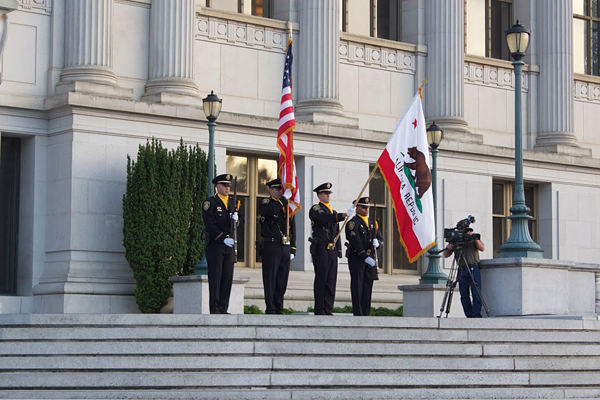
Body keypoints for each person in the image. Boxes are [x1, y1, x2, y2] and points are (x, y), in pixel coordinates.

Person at [309, 182, 355, 315]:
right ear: (319, 195)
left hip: (331, 249)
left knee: (331, 280)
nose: (328, 195)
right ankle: (319, 309)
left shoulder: (333, 212)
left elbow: (337, 233)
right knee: (321, 278)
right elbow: (325, 218)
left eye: (329, 193)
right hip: (321, 248)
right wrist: (343, 215)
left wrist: (339, 251)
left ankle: (328, 308)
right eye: (325, 193)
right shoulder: (316, 209)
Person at [202, 174, 244, 314]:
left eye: (228, 185)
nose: (227, 188)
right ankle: (215, 308)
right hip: (216, 245)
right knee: (216, 277)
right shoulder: (211, 203)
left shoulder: (233, 203)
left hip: (230, 245)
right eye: (224, 185)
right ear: (217, 186)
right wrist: (221, 238)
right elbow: (210, 224)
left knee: (227, 277)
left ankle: (223, 307)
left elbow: (241, 221)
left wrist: (237, 220)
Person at [258, 178, 296, 314]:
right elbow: (268, 211)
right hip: (271, 245)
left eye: (282, 189)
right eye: (278, 189)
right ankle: (271, 307)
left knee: (282, 279)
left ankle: (279, 306)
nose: (281, 191)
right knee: (270, 278)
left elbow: (292, 227)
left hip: (284, 246)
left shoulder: (287, 206)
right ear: (271, 190)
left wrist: (293, 248)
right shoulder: (266, 202)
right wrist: (283, 200)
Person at [345, 197, 383, 316]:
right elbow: (355, 240)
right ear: (357, 208)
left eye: (367, 207)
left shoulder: (372, 223)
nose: (366, 209)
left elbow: (380, 238)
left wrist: (378, 244)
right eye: (363, 207)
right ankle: (358, 313)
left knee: (367, 287)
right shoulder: (353, 223)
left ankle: (366, 313)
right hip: (357, 258)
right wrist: (363, 256)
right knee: (357, 286)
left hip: (370, 259)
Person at [443, 230, 485, 318]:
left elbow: (482, 248)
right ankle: (469, 315)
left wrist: (475, 238)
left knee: (476, 293)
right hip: (461, 269)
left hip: (473, 267)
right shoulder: (455, 240)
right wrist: (448, 247)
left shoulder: (473, 239)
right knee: (464, 295)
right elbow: (446, 255)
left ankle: (476, 315)